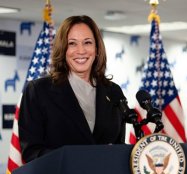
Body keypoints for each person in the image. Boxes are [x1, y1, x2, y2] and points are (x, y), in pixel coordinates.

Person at [18, 15, 126, 163]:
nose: (80, 51)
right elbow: (31, 152)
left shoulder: (113, 91)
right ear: (63, 49)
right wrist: (75, 161)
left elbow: (118, 145)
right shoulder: (38, 91)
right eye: (72, 44)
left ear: (97, 48)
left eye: (87, 42)